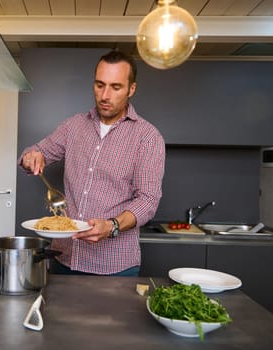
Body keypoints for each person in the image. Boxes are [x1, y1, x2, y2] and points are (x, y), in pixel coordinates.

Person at [19, 50, 165, 276]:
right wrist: (32, 156)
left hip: (115, 267)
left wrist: (112, 226)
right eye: (99, 85)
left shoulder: (148, 137)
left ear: (131, 89)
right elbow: (37, 151)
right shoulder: (73, 126)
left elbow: (148, 200)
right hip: (63, 259)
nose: (105, 95)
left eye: (115, 87)